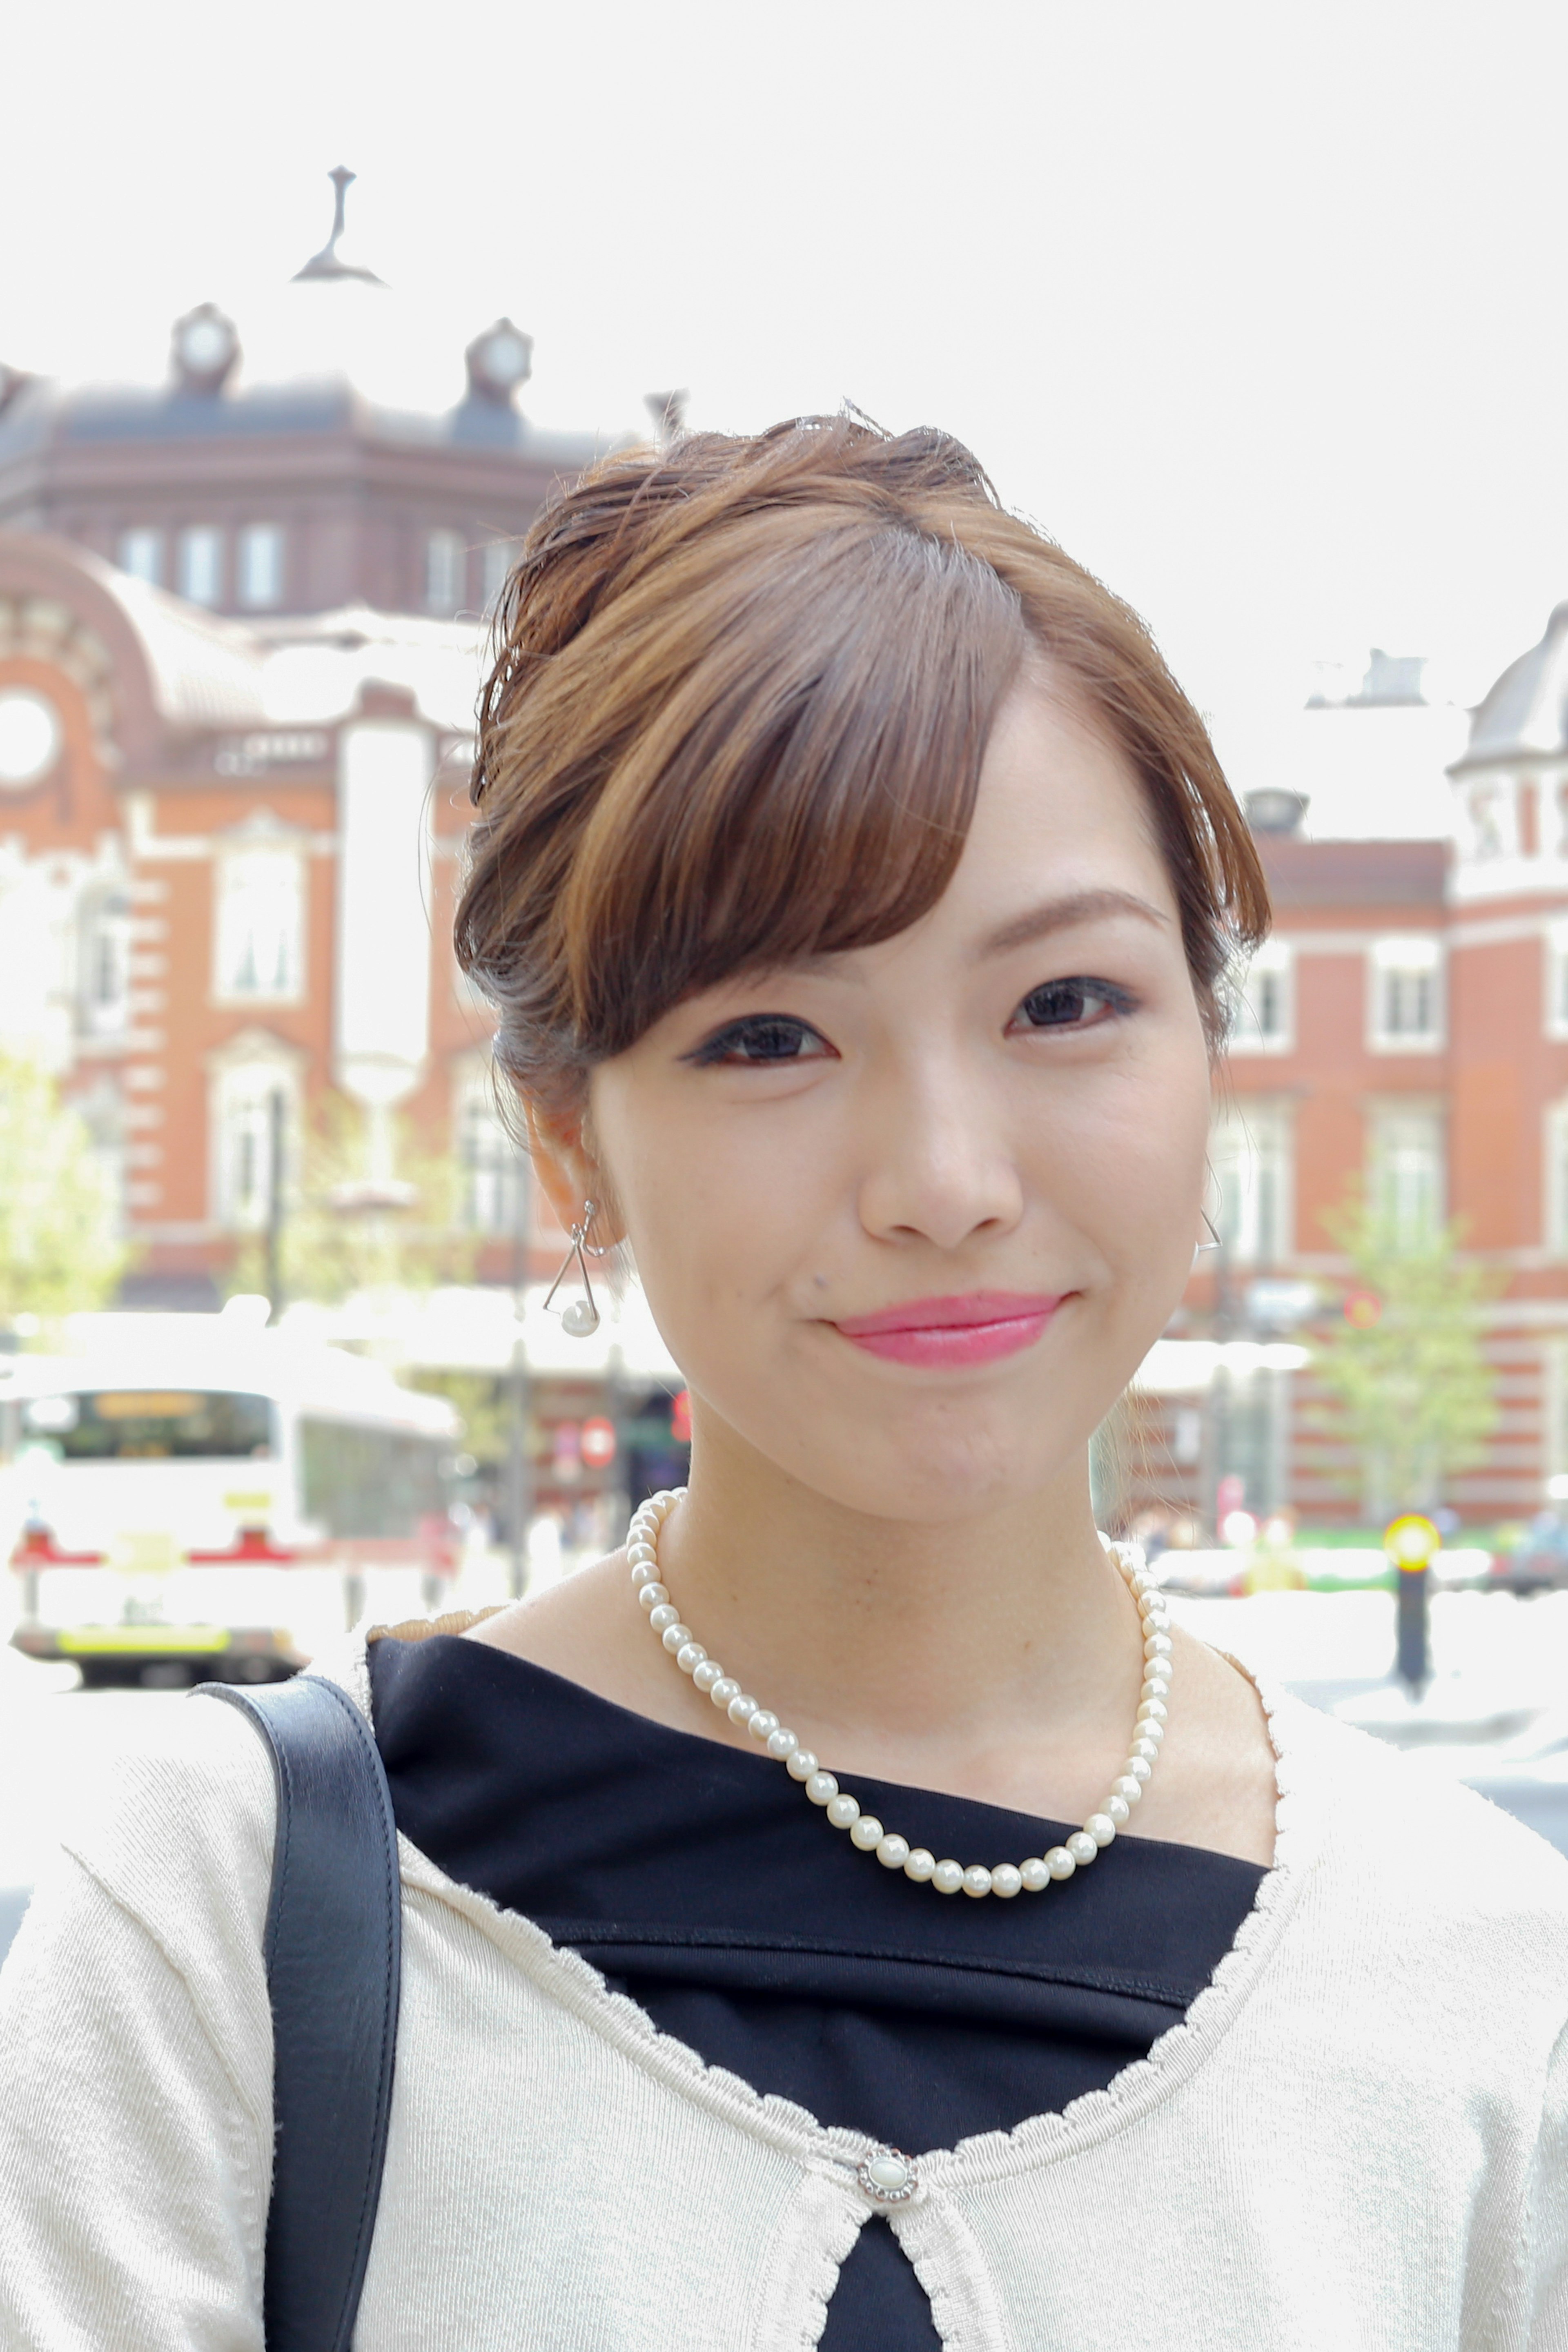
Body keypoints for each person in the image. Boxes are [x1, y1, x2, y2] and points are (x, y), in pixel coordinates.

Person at [2, 416, 1565, 2349]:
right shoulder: (226, 1915)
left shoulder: (1490, 1983)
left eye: (1065, 1003)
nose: (946, 1183)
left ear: (1207, 1038)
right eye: (768, 1037)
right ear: (570, 1145)